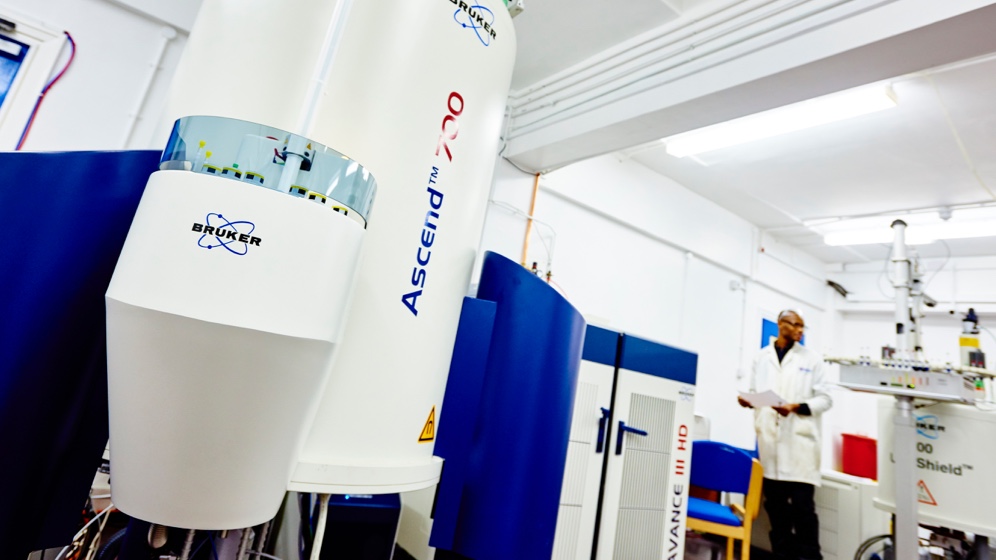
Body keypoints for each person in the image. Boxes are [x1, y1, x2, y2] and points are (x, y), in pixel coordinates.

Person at [738, 309, 832, 560]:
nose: (800, 330)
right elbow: (753, 390)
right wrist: (748, 401)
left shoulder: (812, 360)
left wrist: (796, 407)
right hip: (770, 445)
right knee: (777, 513)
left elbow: (825, 399)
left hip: (800, 448)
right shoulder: (761, 358)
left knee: (804, 512)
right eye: (795, 325)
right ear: (781, 325)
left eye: (803, 326)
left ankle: (811, 558)